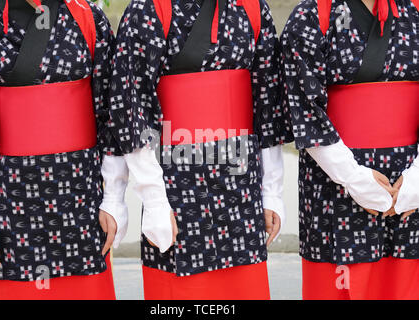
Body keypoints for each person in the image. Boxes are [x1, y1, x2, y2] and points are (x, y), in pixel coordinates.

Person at [106, 0, 294, 300]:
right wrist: (153, 199)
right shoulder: (148, 9)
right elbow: (130, 107)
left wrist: (271, 191)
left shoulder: (252, 8)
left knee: (244, 290)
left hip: (240, 186)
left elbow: (266, 102)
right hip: (176, 186)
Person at [0, 0, 123, 300]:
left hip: (82, 200)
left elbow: (113, 113)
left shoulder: (88, 17)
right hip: (12, 207)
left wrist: (115, 198)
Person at [281, 0, 419, 299]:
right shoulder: (311, 16)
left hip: (410, 179)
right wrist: (352, 177)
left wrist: (418, 177)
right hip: (335, 178)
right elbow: (303, 108)